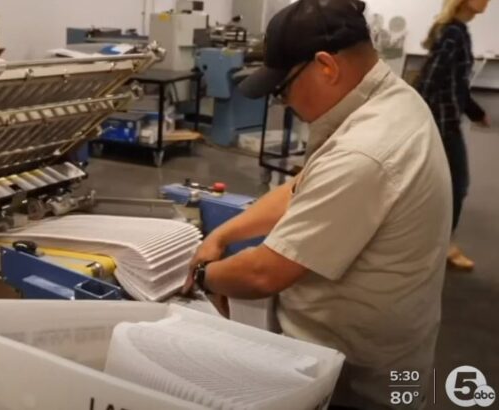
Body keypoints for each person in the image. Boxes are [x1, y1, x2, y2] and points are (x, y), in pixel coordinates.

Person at [182, 0, 452, 409]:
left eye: (283, 88)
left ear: (326, 67)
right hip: (378, 347)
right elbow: (302, 189)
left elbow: (264, 273)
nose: (285, 102)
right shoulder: (392, 101)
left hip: (354, 382)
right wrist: (223, 235)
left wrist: (203, 276)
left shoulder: (366, 151)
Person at [416, 0, 491, 271]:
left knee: (444, 185)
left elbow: (456, 84)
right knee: (457, 185)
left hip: (445, 122)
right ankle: (442, 245)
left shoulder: (457, 31)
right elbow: (429, 80)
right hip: (441, 124)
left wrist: (475, 112)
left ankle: (433, 242)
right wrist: (416, 121)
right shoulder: (453, 34)